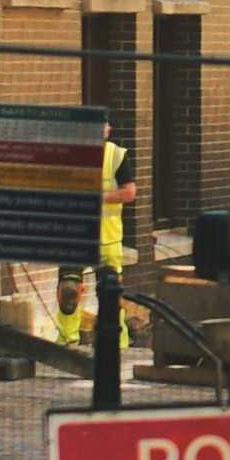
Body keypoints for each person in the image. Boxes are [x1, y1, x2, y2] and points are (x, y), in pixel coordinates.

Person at [88, 140, 136, 411]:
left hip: (107, 238)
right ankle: (68, 340)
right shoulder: (71, 154)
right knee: (69, 292)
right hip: (77, 237)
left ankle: (117, 341)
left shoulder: (116, 156)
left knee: (109, 292)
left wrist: (100, 197)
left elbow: (129, 193)